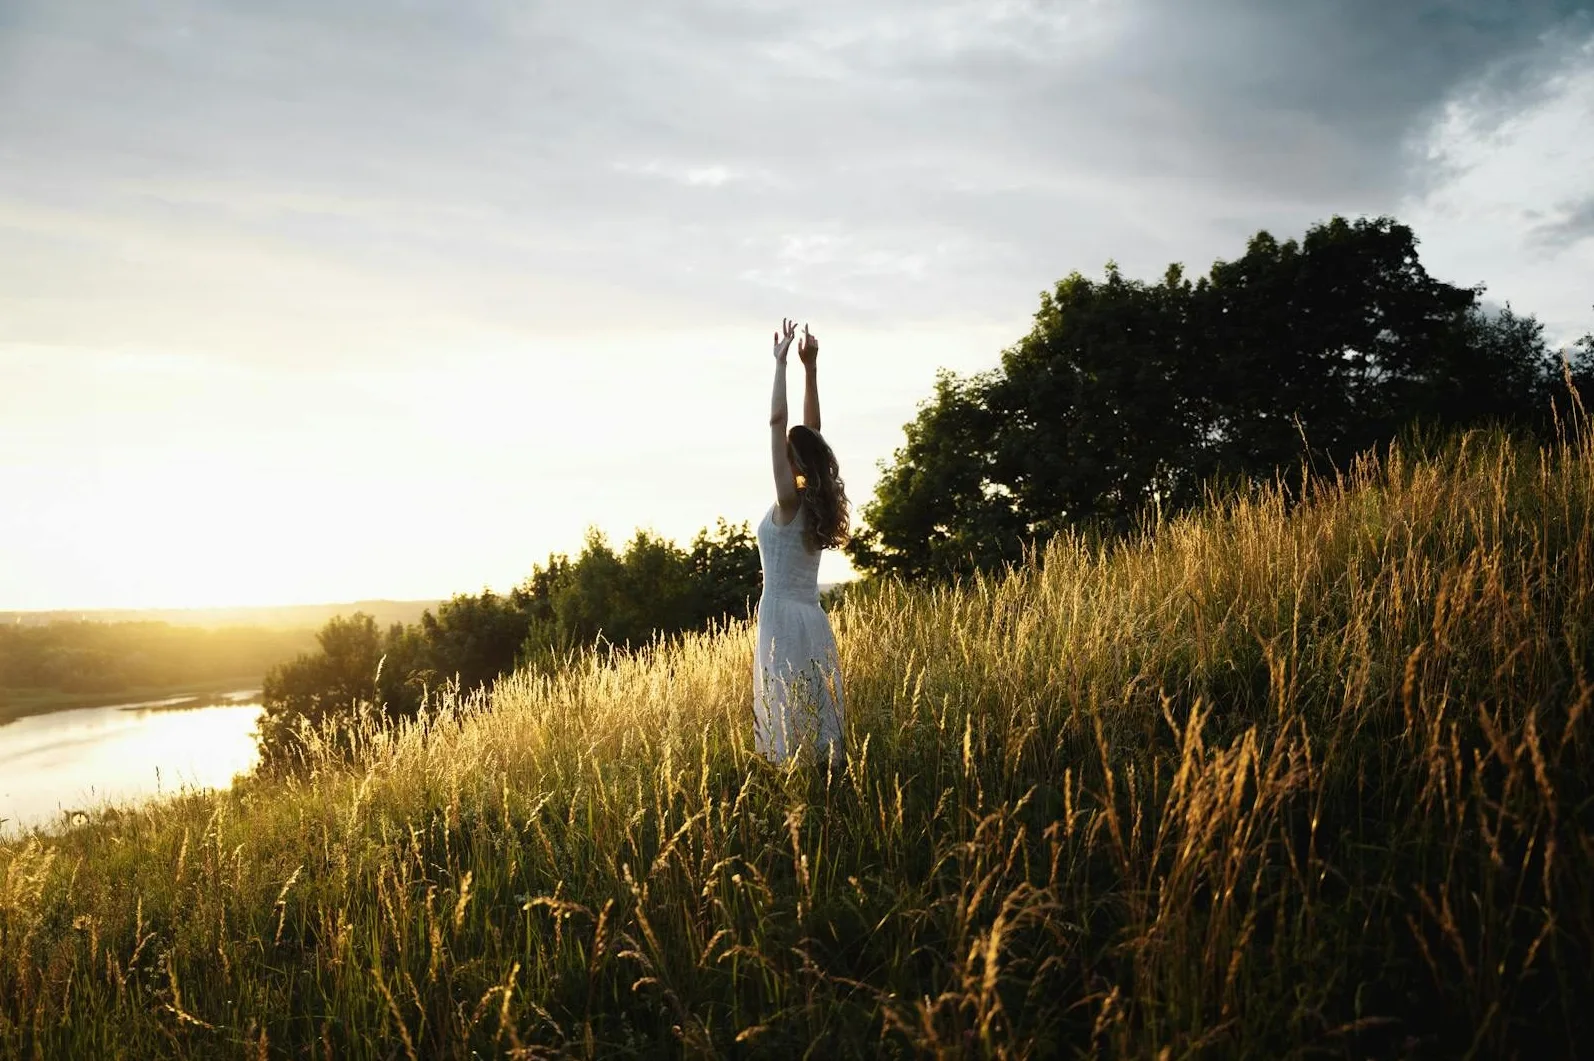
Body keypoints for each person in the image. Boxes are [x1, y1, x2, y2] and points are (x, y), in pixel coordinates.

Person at [755, 318, 851, 769]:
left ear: (794, 459)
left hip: (780, 618)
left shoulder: (790, 499)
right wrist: (810, 369)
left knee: (786, 717)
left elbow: (779, 423)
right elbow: (812, 432)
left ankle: (798, 794)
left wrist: (780, 365)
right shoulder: (814, 499)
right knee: (813, 715)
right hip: (810, 617)